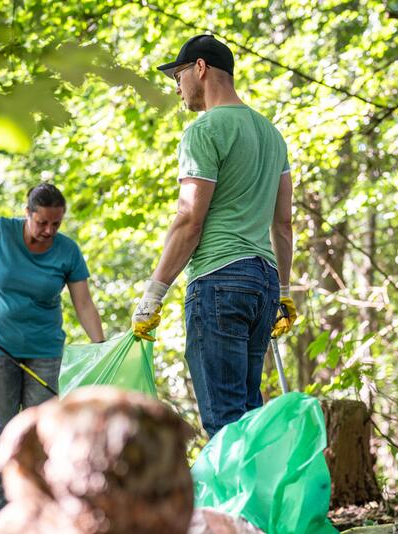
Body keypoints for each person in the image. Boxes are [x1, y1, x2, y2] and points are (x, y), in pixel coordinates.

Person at [130, 34, 295, 438]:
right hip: (264, 284)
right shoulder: (272, 135)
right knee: (248, 416)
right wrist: (285, 291)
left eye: (179, 75)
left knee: (224, 423)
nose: (177, 86)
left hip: (219, 280)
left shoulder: (203, 132)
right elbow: (283, 224)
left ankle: (232, 503)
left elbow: (189, 219)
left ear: (200, 68)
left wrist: (154, 293)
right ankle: (256, 502)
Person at [0, 183, 106, 514]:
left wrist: (100, 346)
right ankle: (2, 508)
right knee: (5, 429)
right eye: (42, 222)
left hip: (45, 350)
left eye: (56, 224)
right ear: (27, 213)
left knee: (45, 431)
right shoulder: (0, 231)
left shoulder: (67, 251)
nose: (49, 230)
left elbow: (83, 303)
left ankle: (43, 506)